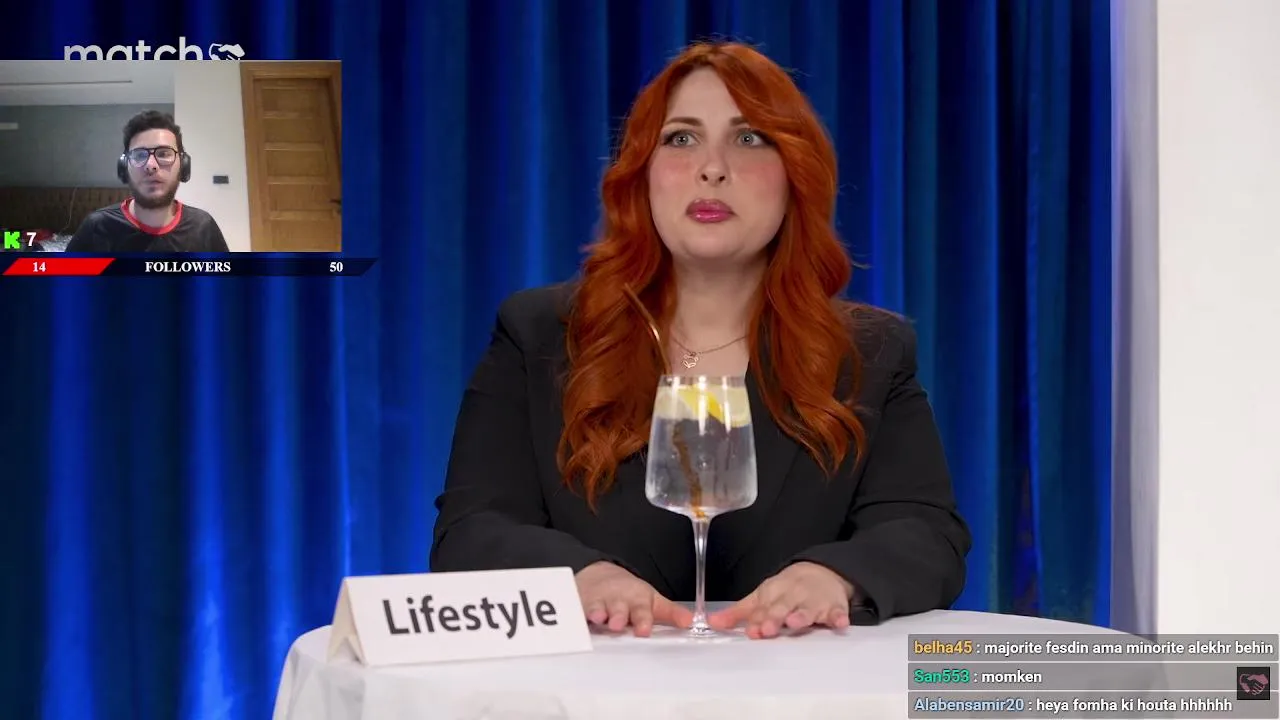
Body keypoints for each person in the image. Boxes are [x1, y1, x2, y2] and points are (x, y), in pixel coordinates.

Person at [430, 42, 971, 639]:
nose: (712, 168)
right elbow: (471, 530)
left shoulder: (869, 352)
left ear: (796, 176)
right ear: (641, 174)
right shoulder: (539, 334)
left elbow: (927, 533)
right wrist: (581, 577)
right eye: (681, 138)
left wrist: (834, 576)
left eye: (749, 138)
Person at [65, 110, 229, 253]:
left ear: (183, 165)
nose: (151, 165)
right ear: (124, 167)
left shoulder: (203, 227)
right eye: (139, 155)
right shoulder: (96, 228)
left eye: (164, 153)